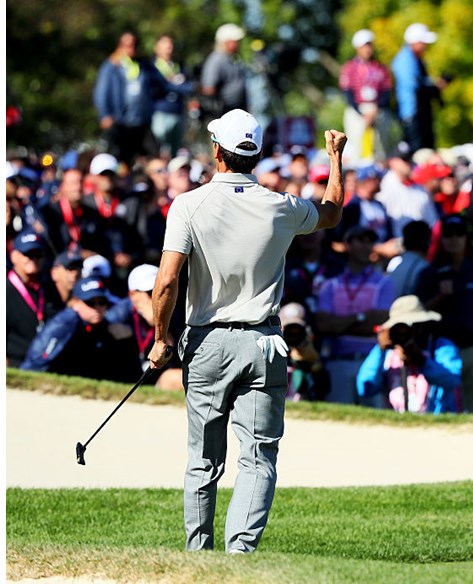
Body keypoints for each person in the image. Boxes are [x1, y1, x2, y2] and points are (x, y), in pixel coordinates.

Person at [147, 107, 348, 553]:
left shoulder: (188, 205)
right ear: (254, 155)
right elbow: (331, 213)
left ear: (217, 151)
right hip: (264, 342)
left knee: (203, 461)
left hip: (207, 343)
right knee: (258, 458)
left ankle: (199, 558)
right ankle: (239, 557)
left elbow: (166, 282)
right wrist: (334, 157)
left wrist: (162, 339)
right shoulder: (281, 206)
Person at [417, 214, 473, 413]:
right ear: (441, 239)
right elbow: (416, 311)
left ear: (467, 239)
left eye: (459, 234)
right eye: (448, 234)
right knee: (440, 404)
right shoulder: (430, 273)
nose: (454, 239)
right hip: (441, 349)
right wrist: (440, 296)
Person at [315, 225, 396, 405]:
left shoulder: (384, 283)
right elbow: (324, 325)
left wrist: (340, 324)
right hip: (338, 362)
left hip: (373, 362)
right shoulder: (331, 285)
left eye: (370, 241)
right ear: (347, 245)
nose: (366, 246)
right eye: (361, 240)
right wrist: (362, 317)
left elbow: (382, 322)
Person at [22, 276, 142, 382]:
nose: (97, 308)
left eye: (102, 302)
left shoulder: (106, 325)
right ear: (75, 303)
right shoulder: (64, 325)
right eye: (90, 303)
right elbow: (35, 365)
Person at [357, 295, 462, 413]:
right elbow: (365, 388)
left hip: (434, 423)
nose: (405, 333)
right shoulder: (387, 354)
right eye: (399, 329)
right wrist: (380, 350)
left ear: (423, 325)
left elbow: (452, 380)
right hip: (397, 425)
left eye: (414, 326)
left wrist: (422, 361)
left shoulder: (440, 347)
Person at [93, 32, 169, 166]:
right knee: (121, 160)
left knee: (155, 156)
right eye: (126, 45)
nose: (130, 48)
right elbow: (102, 91)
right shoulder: (112, 66)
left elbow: (162, 84)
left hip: (143, 122)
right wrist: (105, 114)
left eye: (133, 45)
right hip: (122, 122)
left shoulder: (144, 65)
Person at [106, 263, 184, 390]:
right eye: (150, 292)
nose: (156, 298)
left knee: (177, 378)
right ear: (132, 294)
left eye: (159, 292)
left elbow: (176, 356)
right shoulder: (118, 316)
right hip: (127, 380)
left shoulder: (173, 313)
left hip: (159, 377)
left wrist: (161, 326)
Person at [6, 231, 64, 367]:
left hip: (46, 364)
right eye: (27, 254)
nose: (33, 259)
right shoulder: (5, 289)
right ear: (14, 257)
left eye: (38, 255)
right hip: (15, 365)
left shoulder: (48, 288)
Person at [338, 29, 395, 164]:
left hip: (377, 109)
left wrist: (376, 110)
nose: (367, 49)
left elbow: (386, 91)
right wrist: (361, 112)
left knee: (380, 146)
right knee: (356, 144)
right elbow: (347, 93)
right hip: (357, 109)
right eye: (364, 46)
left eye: (369, 45)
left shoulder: (380, 68)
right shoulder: (349, 68)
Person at [392, 23, 445, 152]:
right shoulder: (405, 60)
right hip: (413, 114)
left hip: (421, 113)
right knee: (419, 151)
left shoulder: (416, 59)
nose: (425, 46)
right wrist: (435, 88)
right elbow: (415, 88)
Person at [151, 34, 194, 157]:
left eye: (170, 44)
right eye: (165, 43)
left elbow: (187, 86)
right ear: (157, 47)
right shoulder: (153, 67)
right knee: (160, 148)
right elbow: (162, 85)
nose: (169, 47)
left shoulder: (178, 66)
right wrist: (182, 87)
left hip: (177, 112)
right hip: (160, 112)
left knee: (175, 150)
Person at [279, 302, 330, 402]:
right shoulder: (272, 353)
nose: (293, 336)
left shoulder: (311, 352)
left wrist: (313, 362)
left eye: (297, 330)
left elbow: (324, 390)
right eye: (288, 330)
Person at [200, 24, 249, 118]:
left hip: (236, 111)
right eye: (235, 41)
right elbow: (209, 89)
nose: (238, 43)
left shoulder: (232, 58)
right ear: (226, 42)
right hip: (224, 112)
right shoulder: (216, 60)